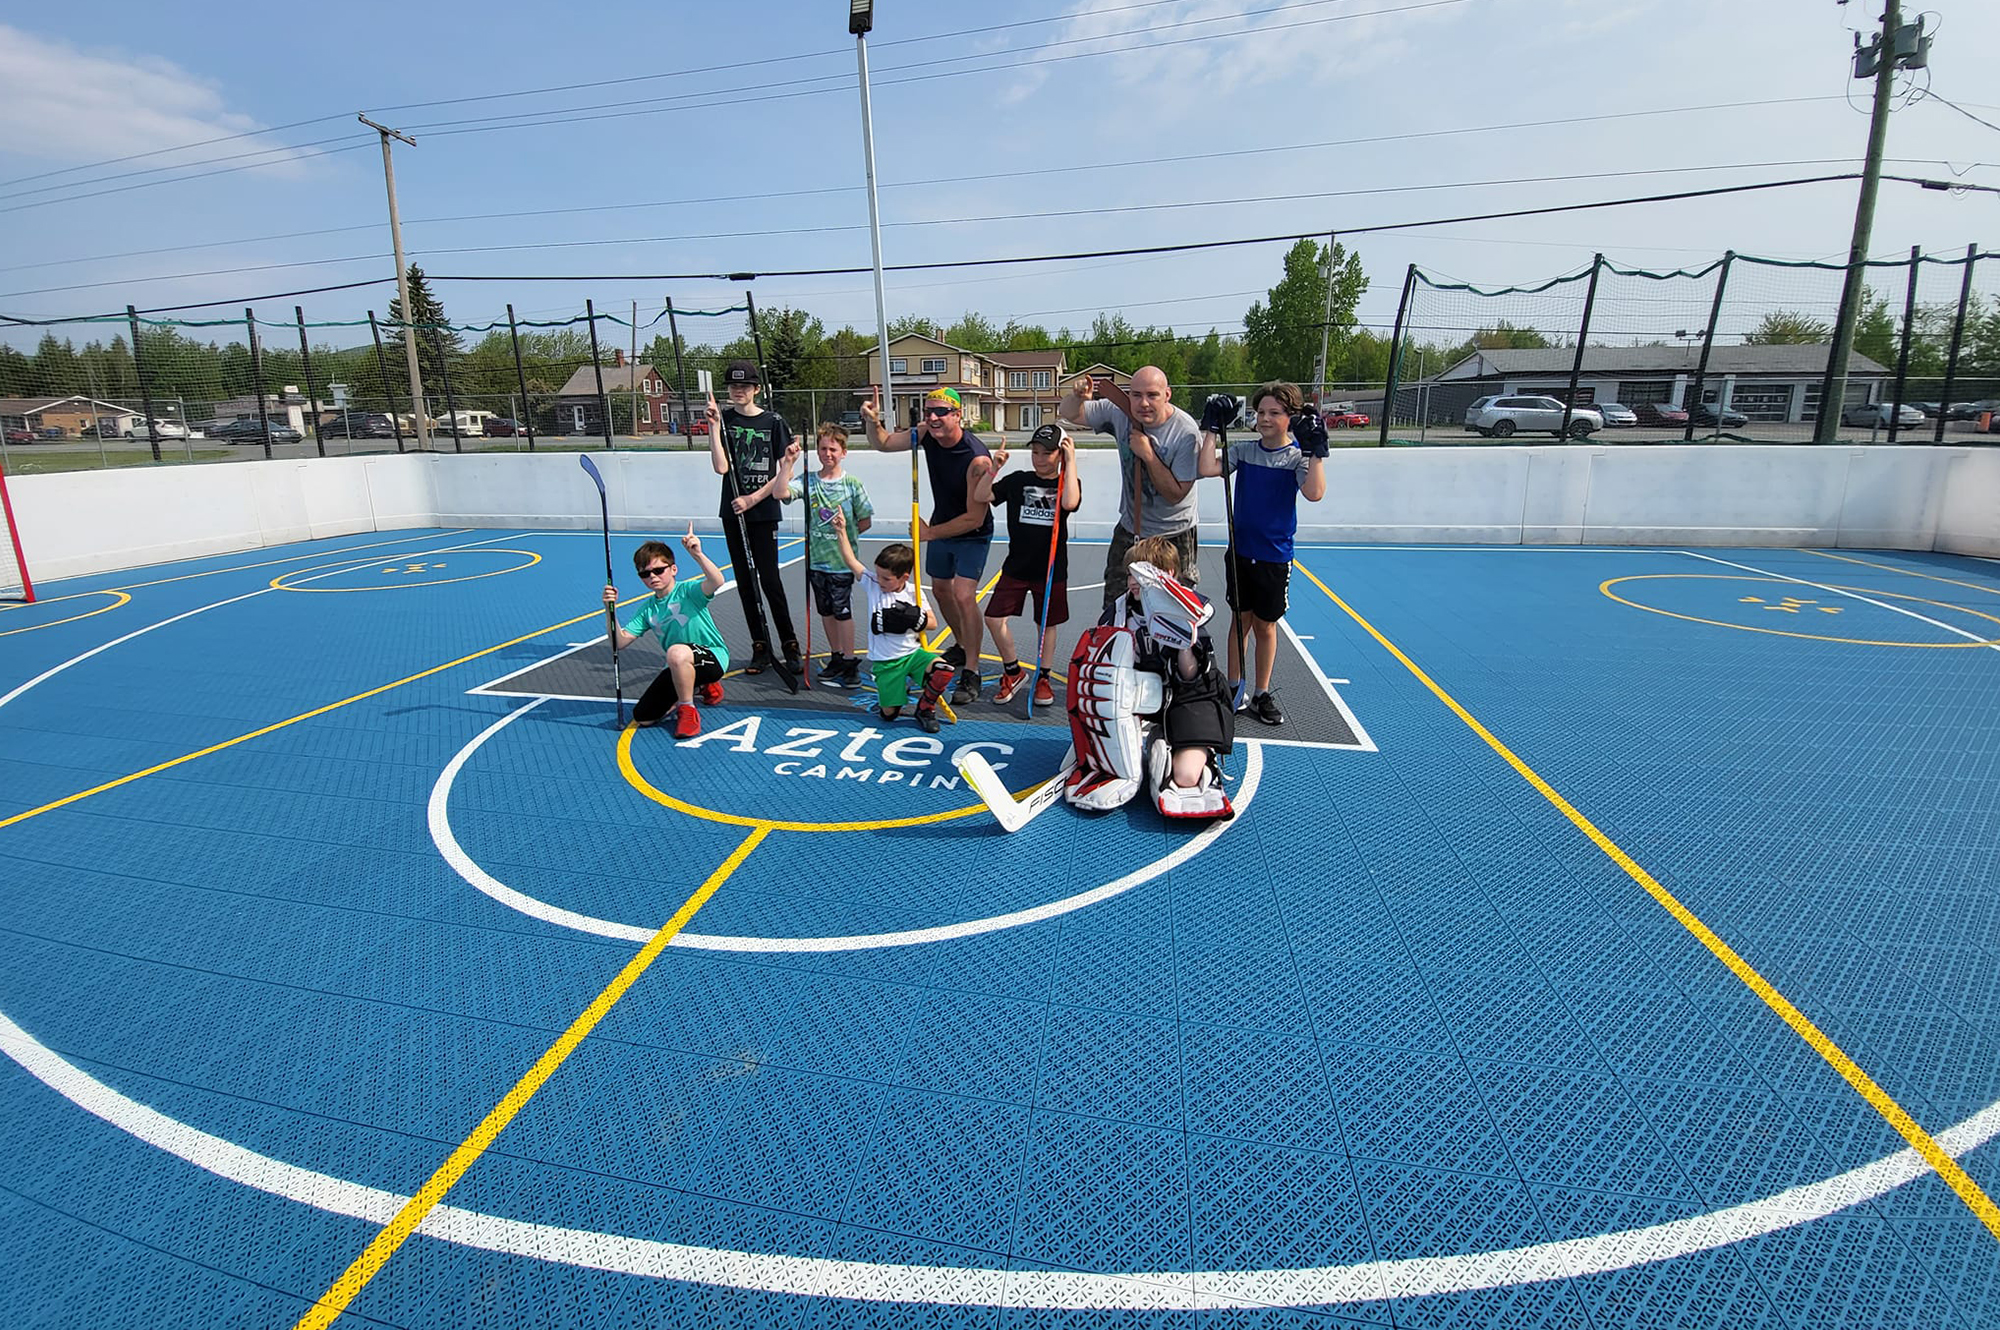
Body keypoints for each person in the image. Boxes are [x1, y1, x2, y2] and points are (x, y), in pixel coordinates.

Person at [1065, 534, 1235, 819]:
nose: (1132, 579)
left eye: (1141, 571)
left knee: (1185, 777)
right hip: (1137, 697)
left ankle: (1188, 748)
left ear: (1167, 574)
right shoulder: (1118, 612)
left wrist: (1184, 644)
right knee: (1103, 755)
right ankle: (1136, 737)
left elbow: (1192, 678)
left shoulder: (1187, 611)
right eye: (1131, 571)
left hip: (1188, 698)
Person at [1196, 382, 1328, 726]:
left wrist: (1318, 450)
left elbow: (1314, 493)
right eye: (1260, 412)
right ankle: (1234, 687)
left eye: (1274, 413)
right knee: (1239, 620)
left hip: (1274, 556)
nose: (1264, 419)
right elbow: (1206, 468)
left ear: (1291, 417)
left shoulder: (1297, 458)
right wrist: (1211, 428)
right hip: (1241, 552)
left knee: (1265, 626)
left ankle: (1261, 692)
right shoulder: (1244, 451)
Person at [863, 385, 994, 706]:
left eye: (941, 412)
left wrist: (928, 534)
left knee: (964, 595)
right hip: (938, 527)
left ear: (958, 415)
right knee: (941, 591)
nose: (932, 418)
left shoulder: (976, 458)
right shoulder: (924, 435)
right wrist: (871, 420)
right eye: (928, 412)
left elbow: (973, 518)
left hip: (970, 533)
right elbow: (881, 443)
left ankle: (972, 671)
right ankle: (962, 646)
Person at [1058, 365, 1203, 609]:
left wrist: (1148, 455)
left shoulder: (1185, 433)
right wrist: (1077, 397)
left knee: (1175, 610)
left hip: (1174, 533)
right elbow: (1070, 414)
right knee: (1115, 603)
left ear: (1167, 395)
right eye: (1136, 395)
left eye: (1152, 395)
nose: (1143, 403)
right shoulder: (1119, 411)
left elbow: (1176, 494)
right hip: (1132, 528)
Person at [971, 422, 1082, 706]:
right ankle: (1013, 671)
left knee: (1046, 624)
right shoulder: (1019, 480)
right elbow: (981, 496)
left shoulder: (1065, 484)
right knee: (994, 618)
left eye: (1047, 453)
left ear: (1059, 454)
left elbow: (1070, 503)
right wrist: (994, 468)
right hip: (1016, 566)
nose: (1040, 458)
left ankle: (1043, 676)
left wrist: (1071, 463)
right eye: (1035, 452)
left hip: (1051, 568)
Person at [827, 507, 957, 733]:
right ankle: (893, 698)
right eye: (878, 574)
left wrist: (911, 617)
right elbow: (851, 561)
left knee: (944, 669)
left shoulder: (914, 591)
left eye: (886, 578)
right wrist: (841, 531)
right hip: (886, 662)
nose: (880, 580)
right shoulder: (873, 585)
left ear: (904, 577)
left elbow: (933, 623)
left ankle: (925, 708)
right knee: (890, 715)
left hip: (913, 655)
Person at [709, 363, 802, 676]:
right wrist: (712, 428)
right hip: (732, 510)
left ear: (756, 389)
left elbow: (782, 472)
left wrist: (752, 498)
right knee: (746, 582)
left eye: (746, 387)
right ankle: (760, 646)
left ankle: (790, 645)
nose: (739, 391)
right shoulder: (725, 420)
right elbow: (722, 468)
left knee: (770, 580)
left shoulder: (773, 422)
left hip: (761, 511)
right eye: (734, 387)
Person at [600, 525, 729, 740]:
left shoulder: (688, 592)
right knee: (644, 716)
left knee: (676, 653)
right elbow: (619, 643)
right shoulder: (648, 609)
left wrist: (696, 554)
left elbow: (717, 581)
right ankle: (697, 687)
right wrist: (609, 610)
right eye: (645, 573)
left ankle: (688, 709)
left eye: (659, 570)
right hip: (678, 662)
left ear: (673, 570)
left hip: (712, 657)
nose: (652, 577)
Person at [802, 420, 874, 688]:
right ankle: (835, 656)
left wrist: (845, 537)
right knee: (826, 612)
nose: (827, 454)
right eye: (823, 449)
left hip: (842, 563)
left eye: (833, 449)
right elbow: (782, 492)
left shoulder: (852, 484)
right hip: (816, 561)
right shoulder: (809, 481)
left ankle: (849, 659)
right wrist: (788, 461)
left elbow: (865, 520)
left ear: (843, 452)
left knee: (843, 612)